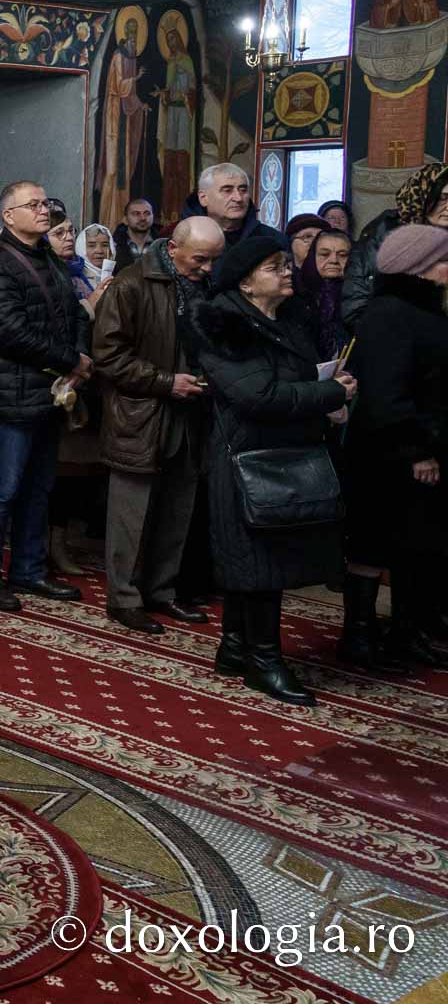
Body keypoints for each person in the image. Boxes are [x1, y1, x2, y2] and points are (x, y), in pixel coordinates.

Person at [193, 235, 354, 706]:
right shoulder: (222, 326)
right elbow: (256, 396)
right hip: (245, 461)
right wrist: (330, 395)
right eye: (274, 266)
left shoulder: (284, 319)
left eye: (287, 263)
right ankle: (265, 662)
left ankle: (236, 647)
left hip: (278, 456)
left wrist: (326, 386)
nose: (288, 272)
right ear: (246, 281)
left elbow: (289, 383)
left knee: (262, 559)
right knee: (260, 563)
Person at [91, 215, 222, 634]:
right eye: (200, 259)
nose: (208, 269)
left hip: (191, 415)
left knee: (177, 510)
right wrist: (167, 383)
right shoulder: (131, 285)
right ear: (172, 249)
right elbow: (109, 357)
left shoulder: (206, 287)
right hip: (143, 415)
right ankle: (124, 599)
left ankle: (162, 591)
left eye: (214, 260)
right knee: (132, 515)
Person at [0, 182, 90, 611]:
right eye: (33, 205)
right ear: (10, 215)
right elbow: (9, 331)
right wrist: (70, 359)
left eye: (44, 203)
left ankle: (28, 570)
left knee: (39, 488)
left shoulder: (49, 260)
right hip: (8, 394)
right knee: (2, 487)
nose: (43, 210)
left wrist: (81, 351)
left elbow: (74, 311)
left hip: (46, 393)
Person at [335, 225, 448, 671]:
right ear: (419, 265)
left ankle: (406, 633)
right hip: (389, 456)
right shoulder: (388, 314)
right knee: (373, 544)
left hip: (421, 452)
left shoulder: (423, 308)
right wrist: (417, 450)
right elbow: (386, 396)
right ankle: (358, 639)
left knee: (415, 547)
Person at [342, 161, 448, 331]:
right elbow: (355, 305)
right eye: (443, 198)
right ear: (422, 195)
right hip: (390, 340)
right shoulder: (383, 233)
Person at [295, 227, 351, 361]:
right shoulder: (296, 291)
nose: (334, 260)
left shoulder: (359, 295)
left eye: (342, 255)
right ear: (313, 256)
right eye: (324, 254)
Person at [113, 198, 157, 265]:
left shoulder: (163, 244)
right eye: (136, 214)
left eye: (147, 213)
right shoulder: (114, 244)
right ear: (125, 220)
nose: (143, 218)